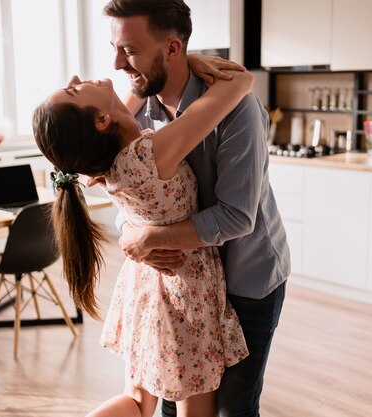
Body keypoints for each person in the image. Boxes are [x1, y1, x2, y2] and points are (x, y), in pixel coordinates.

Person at [33, 58, 254, 415]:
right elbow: (240, 83)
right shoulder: (152, 154)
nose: (76, 76)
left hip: (145, 286)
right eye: (74, 89)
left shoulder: (105, 165)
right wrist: (185, 60)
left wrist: (182, 59)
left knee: (137, 402)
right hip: (184, 291)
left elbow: (133, 94)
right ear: (101, 121)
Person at [102, 1, 290, 416]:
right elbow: (129, 191)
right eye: (114, 48)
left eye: (128, 50)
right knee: (174, 402)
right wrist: (133, 231)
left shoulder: (238, 109)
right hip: (179, 283)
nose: (117, 63)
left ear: (172, 48)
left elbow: (237, 216)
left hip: (246, 278)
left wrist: (149, 239)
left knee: (232, 410)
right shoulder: (136, 114)